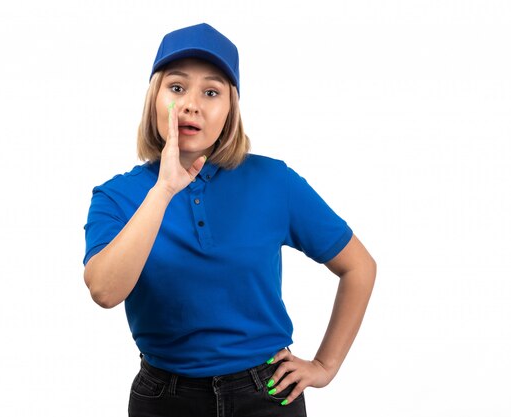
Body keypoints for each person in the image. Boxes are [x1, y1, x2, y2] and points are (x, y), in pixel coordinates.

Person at [83, 23, 376, 417]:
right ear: (154, 99)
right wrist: (165, 189)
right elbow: (104, 291)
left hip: (268, 393)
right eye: (176, 87)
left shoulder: (275, 182)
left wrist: (325, 365)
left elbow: (359, 266)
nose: (191, 105)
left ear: (230, 109)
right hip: (165, 399)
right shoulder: (115, 197)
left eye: (211, 92)